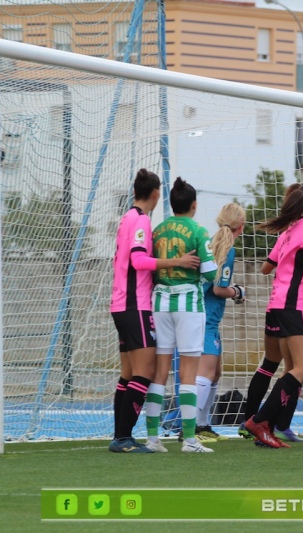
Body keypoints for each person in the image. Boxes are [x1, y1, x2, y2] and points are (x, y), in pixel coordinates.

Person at [109, 169, 200, 453]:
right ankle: (123, 437)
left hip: (121, 304)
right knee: (144, 372)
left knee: (128, 374)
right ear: (156, 193)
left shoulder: (127, 217)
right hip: (135, 304)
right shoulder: (140, 221)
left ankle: (120, 435)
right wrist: (179, 262)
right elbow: (138, 260)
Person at [243, 183, 303, 448]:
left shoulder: (289, 229)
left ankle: (269, 426)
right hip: (295, 307)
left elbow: (266, 267)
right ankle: (259, 421)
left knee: (286, 369)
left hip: (277, 305)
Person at [144, 178, 217, 454]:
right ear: (194, 205)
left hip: (160, 301)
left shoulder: (158, 230)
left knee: (159, 372)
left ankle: (152, 439)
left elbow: (150, 266)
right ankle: (189, 440)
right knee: (188, 372)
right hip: (188, 303)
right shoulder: (198, 230)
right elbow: (210, 273)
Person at [194, 203, 247, 444]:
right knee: (205, 374)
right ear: (242, 226)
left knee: (215, 374)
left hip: (202, 316)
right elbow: (218, 288)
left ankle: (203, 425)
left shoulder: (211, 242)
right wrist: (237, 292)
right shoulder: (227, 249)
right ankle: (191, 427)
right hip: (206, 319)